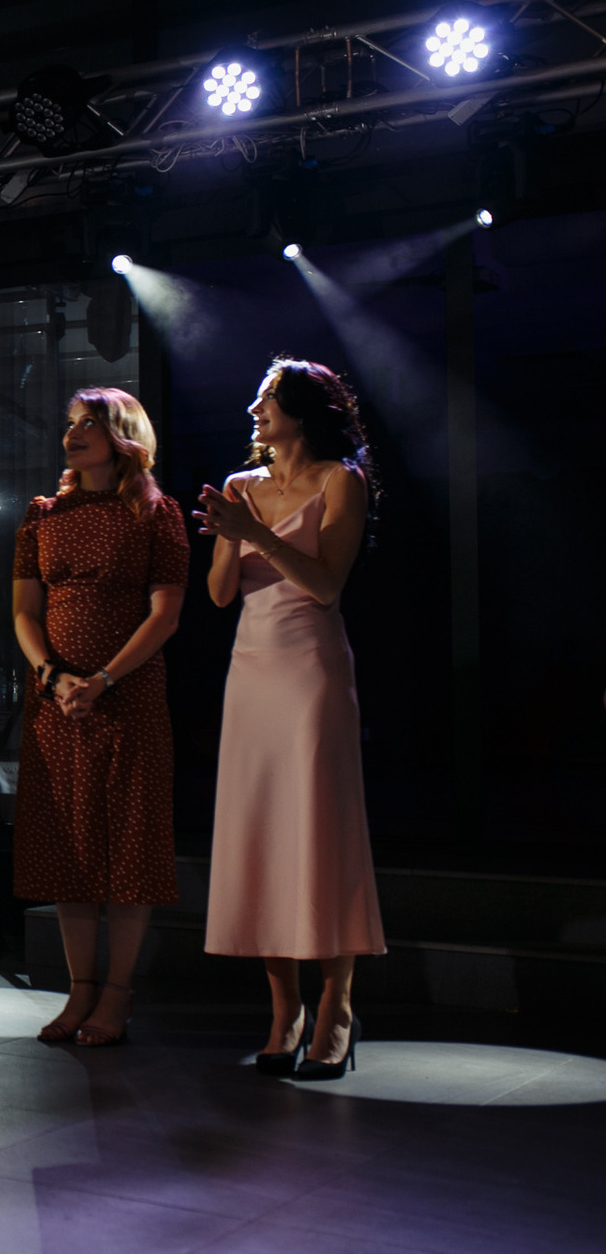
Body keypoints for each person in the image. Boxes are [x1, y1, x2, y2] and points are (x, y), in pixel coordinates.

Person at [196, 358, 384, 1081]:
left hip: (311, 671)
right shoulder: (240, 486)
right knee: (262, 834)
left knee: (318, 831)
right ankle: (285, 1012)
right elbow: (219, 595)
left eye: (268, 398)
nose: (254, 409)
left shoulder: (342, 481)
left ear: (303, 410)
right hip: (251, 671)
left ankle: (337, 1006)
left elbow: (326, 585)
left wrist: (259, 533)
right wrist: (230, 534)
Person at [12, 387, 187, 1048]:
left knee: (129, 848)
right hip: (56, 702)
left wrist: (104, 678)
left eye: (90, 422)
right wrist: (53, 676)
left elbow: (166, 614)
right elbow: (24, 611)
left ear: (123, 436)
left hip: (128, 698)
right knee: (69, 849)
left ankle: (117, 994)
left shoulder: (156, 512)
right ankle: (79, 990)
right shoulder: (42, 513)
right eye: (70, 422)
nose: (73, 432)